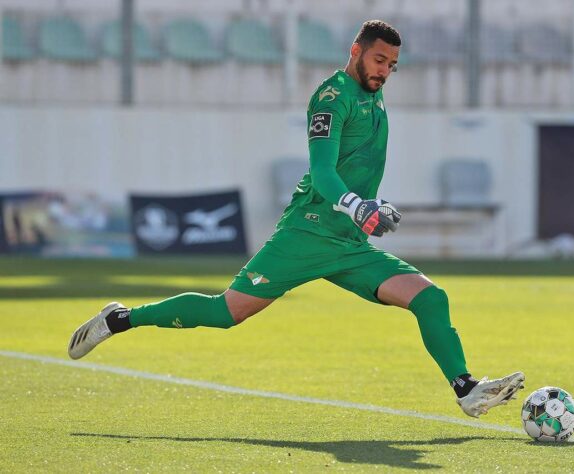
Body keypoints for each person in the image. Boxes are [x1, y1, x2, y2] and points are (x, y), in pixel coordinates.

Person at [67, 20, 524, 418]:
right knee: (227, 312)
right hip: (308, 233)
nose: (384, 72)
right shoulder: (331, 97)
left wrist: (372, 206)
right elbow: (323, 170)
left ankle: (466, 390)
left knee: (430, 298)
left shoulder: (373, 97)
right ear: (356, 50)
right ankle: (121, 319)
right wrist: (358, 206)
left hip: (349, 243)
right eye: (379, 60)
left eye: (392, 65)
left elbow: (354, 168)